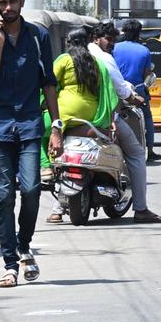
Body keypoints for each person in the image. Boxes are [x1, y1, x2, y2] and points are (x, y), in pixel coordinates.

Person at [0, 0, 63, 288]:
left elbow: (49, 84)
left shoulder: (38, 37)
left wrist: (56, 127)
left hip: (28, 127)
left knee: (30, 190)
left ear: (22, 2)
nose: (8, 7)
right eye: (3, 2)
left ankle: (24, 245)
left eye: (13, 1)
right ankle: (10, 264)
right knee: (3, 196)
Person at [87, 21, 161, 223]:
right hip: (109, 111)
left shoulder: (76, 54)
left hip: (74, 116)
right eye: (109, 40)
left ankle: (58, 208)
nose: (112, 44)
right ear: (97, 38)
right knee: (137, 153)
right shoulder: (108, 57)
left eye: (114, 39)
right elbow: (121, 87)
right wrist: (134, 98)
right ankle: (141, 208)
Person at [41, 27, 118, 219]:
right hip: (91, 113)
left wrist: (42, 101)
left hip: (65, 111)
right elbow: (107, 90)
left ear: (69, 43)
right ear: (87, 43)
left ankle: (46, 167)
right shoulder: (97, 62)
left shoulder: (64, 59)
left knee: (38, 132)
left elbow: (49, 82)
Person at [114, 19, 160, 162]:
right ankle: (150, 150)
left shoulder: (114, 47)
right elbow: (146, 74)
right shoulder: (144, 50)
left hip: (117, 89)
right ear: (138, 34)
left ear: (124, 32)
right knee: (147, 117)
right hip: (137, 90)